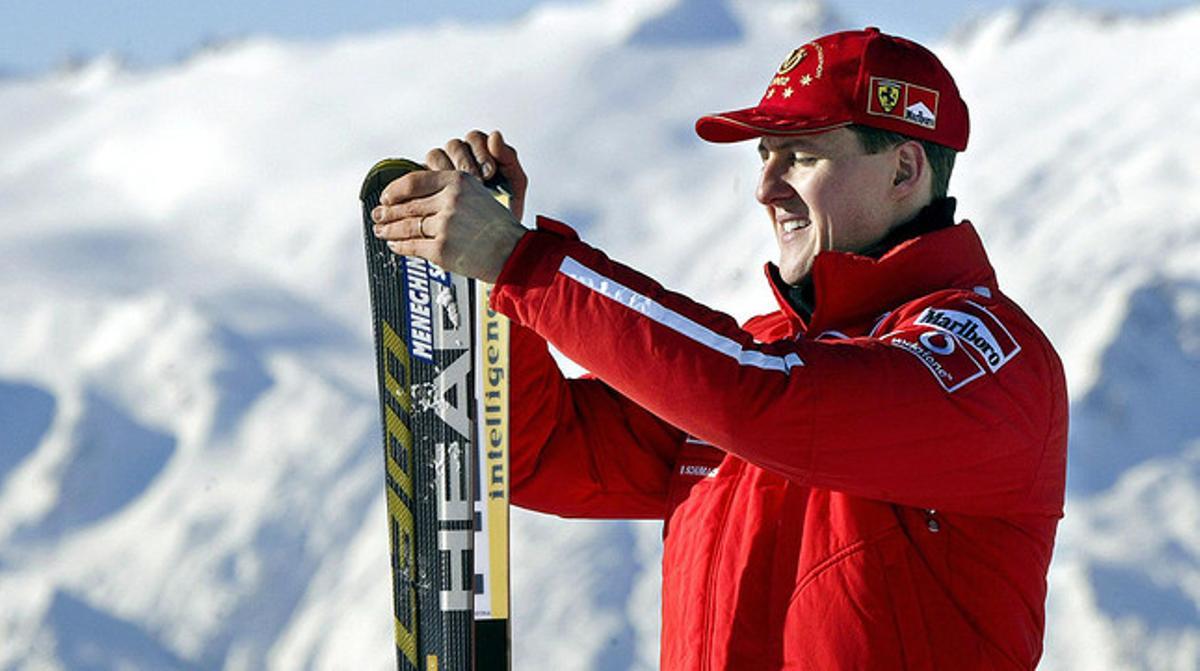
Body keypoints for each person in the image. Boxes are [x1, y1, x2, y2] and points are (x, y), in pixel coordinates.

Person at [371, 27, 1067, 671]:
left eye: (801, 155)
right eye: (765, 156)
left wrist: (521, 262)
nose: (766, 187)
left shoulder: (987, 360)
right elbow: (544, 451)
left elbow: (761, 399)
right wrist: (498, 288)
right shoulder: (762, 355)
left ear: (904, 170)